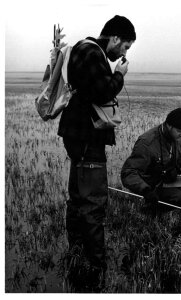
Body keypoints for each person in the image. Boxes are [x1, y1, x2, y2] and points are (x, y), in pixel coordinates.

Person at [57, 15, 136, 291]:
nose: (123, 53)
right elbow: (102, 93)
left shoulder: (85, 49)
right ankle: (96, 266)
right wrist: (119, 75)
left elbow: (91, 89)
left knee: (78, 199)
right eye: (125, 46)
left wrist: (111, 72)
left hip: (77, 136)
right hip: (87, 138)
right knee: (92, 204)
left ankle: (77, 253)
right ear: (114, 38)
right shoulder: (93, 52)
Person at [121, 108, 181, 214]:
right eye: (179, 131)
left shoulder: (177, 137)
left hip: (171, 178)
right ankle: (150, 211)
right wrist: (146, 190)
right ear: (169, 126)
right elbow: (128, 173)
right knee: (179, 197)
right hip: (153, 184)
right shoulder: (146, 142)